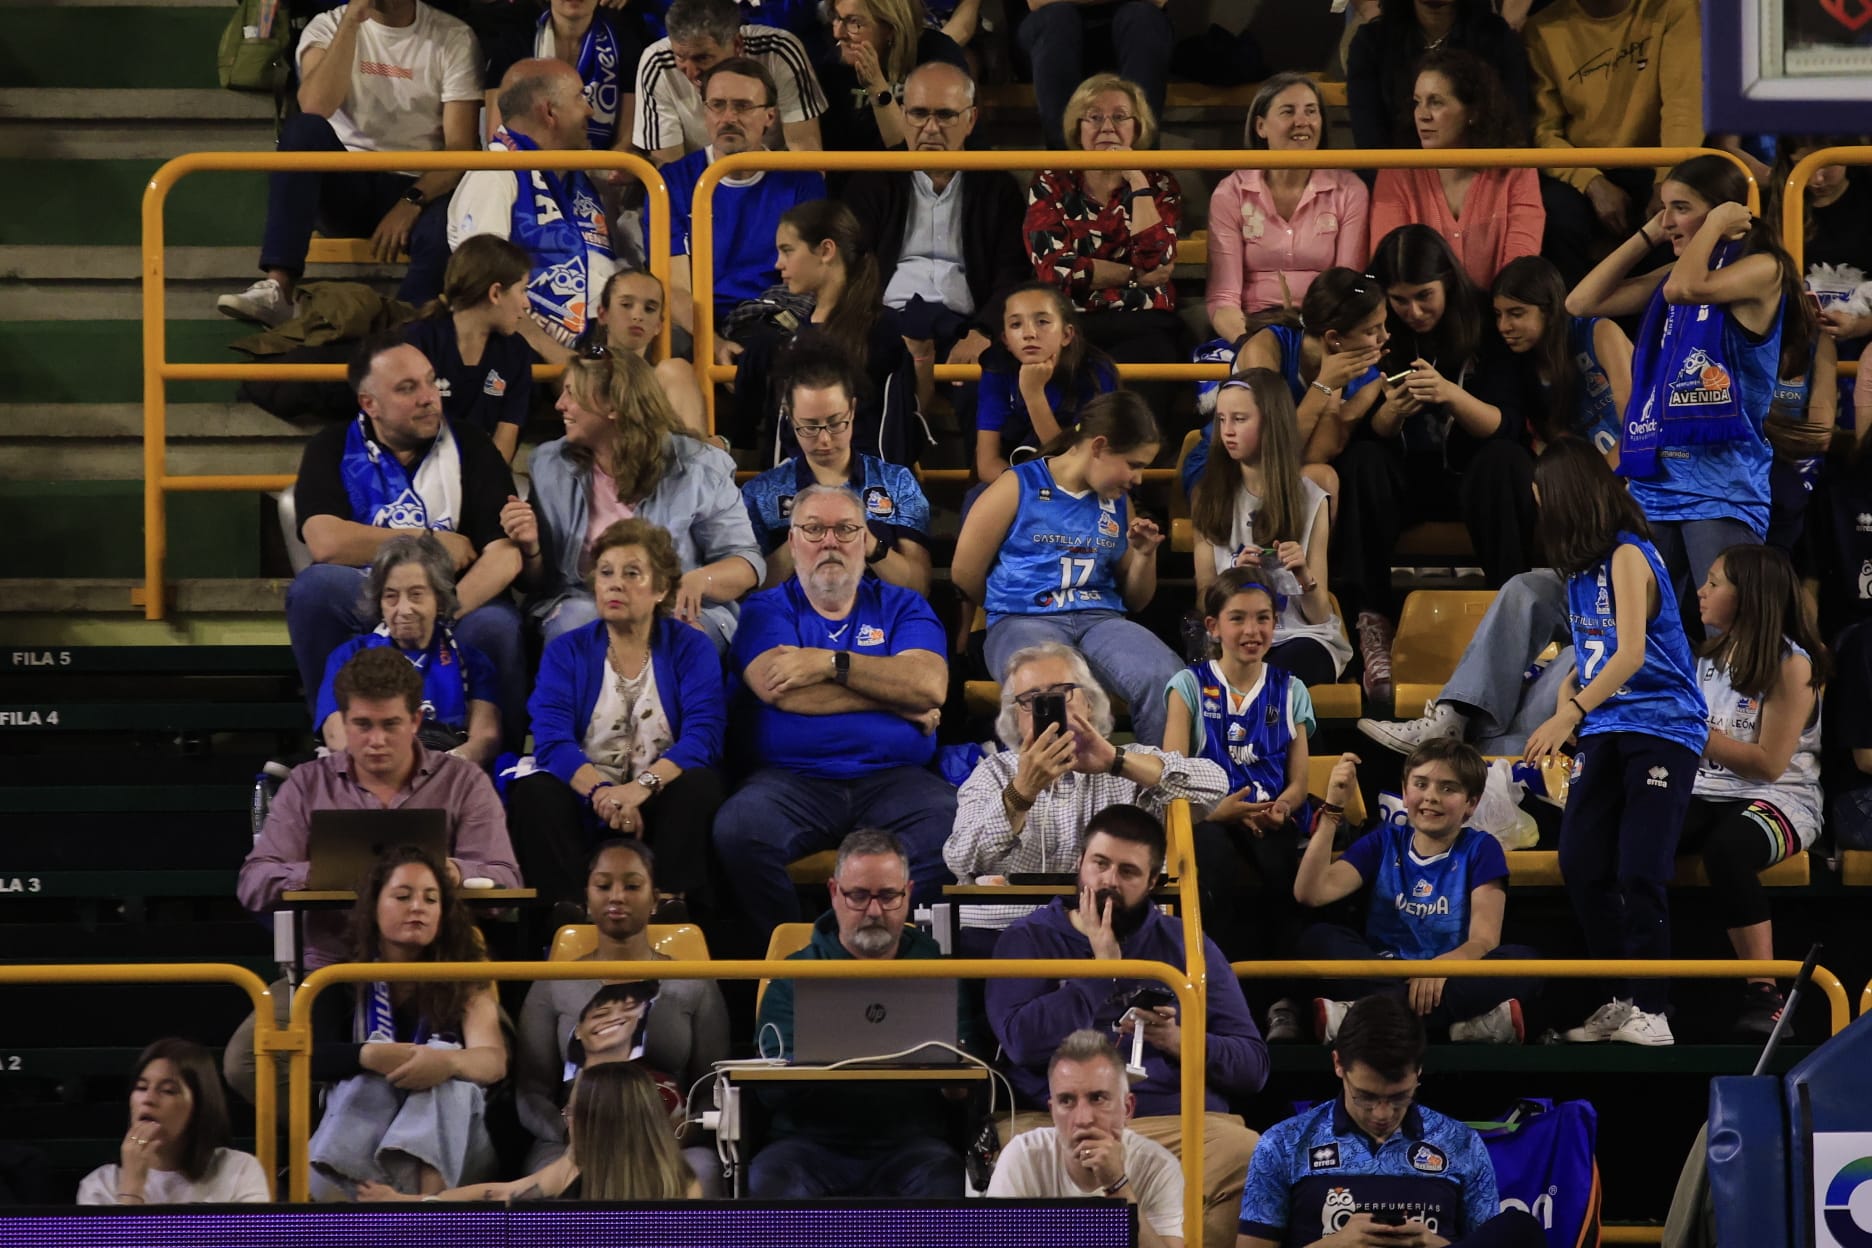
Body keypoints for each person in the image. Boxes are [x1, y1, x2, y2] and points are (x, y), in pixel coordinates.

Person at [231, 648, 520, 1106]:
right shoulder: (308, 784)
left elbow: (504, 881)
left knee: (499, 1060)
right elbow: (254, 882)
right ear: (344, 724)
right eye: (362, 726)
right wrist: (329, 874)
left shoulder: (463, 782)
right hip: (330, 971)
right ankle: (331, 1157)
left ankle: (436, 1170)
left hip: (442, 970)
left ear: (415, 722)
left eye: (390, 725)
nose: (376, 740)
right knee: (246, 1061)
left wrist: (451, 872)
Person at [988, 803, 1266, 1248]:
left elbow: (1253, 1066)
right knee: (1005, 1152)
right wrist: (1101, 973)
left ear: (1153, 882)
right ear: (1080, 863)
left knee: (1250, 1155)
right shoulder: (1029, 938)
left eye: (1128, 872)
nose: (1109, 881)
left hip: (1174, 1122)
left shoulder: (1186, 945)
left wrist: (1181, 1040)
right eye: (1100, 864)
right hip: (1057, 1119)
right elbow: (1020, 1042)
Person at [1523, 439, 1707, 1048]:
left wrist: (1569, 710)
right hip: (1607, 725)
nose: (1535, 500)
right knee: (1580, 861)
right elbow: (1600, 647)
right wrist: (1570, 686)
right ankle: (1619, 996)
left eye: (1542, 490)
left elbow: (1631, 652)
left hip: (1662, 727)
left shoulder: (1630, 554)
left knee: (1640, 868)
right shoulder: (1579, 569)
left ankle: (1654, 1008)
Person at [712, 484, 956, 943]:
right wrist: (893, 696)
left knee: (952, 827)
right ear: (792, 541)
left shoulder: (903, 605)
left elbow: (928, 685)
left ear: (864, 539)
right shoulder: (766, 609)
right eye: (814, 529)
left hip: (895, 777)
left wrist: (829, 664)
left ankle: (899, 954)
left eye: (845, 529)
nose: (830, 541)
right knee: (739, 832)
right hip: (789, 780)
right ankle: (798, 960)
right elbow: (779, 690)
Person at [1566, 153, 1813, 600]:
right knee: (1634, 631)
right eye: (1664, 208)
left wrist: (1717, 225)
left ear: (1724, 210)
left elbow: (1685, 289)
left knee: (1727, 634)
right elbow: (1580, 303)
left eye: (1681, 208)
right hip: (1655, 482)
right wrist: (1648, 235)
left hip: (1721, 489)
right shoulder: (1678, 272)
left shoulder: (1764, 269)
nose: (1669, 221)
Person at [285, 334, 526, 752]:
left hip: (456, 602)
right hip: (371, 599)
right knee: (314, 590)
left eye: (431, 382)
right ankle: (335, 742)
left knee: (498, 625)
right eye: (407, 388)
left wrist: (435, 612)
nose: (429, 398)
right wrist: (428, 542)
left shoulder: (470, 446)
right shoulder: (332, 447)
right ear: (369, 404)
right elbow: (324, 541)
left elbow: (505, 557)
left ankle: (494, 760)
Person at [749, 829, 984, 1198]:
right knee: (772, 1181)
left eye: (888, 896)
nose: (874, 911)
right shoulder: (793, 976)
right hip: (806, 1146)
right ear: (833, 893)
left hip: (914, 1147)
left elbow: (971, 1083)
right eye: (858, 896)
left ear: (908, 894)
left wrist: (956, 1085)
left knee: (945, 1181)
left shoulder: (938, 972)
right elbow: (768, 1094)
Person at [506, 520, 729, 908]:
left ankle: (669, 910)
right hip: (588, 794)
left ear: (661, 589)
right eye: (606, 573)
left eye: (632, 573)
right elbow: (552, 739)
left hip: (660, 793)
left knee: (700, 788)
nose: (614, 584)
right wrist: (604, 794)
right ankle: (572, 916)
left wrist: (639, 788)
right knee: (534, 795)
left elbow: (702, 737)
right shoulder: (566, 651)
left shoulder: (691, 647)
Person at [946, 642, 1227, 950]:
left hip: (1118, 930)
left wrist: (1116, 762)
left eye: (1061, 692)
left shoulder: (1133, 762)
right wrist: (1021, 792)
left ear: (1090, 703)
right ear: (1016, 717)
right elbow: (960, 860)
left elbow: (1214, 784)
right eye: (1032, 700)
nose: (1049, 708)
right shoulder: (993, 772)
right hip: (1007, 936)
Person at [215, 0, 478, 326]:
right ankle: (279, 287)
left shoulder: (453, 35)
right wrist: (352, 21)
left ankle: (410, 328)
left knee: (451, 223)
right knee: (302, 129)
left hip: (418, 185)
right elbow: (314, 106)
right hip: (347, 183)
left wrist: (411, 200)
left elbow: (461, 148)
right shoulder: (327, 26)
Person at [952, 391, 1182, 746]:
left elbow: (1136, 600)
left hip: (1100, 620)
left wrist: (1144, 556)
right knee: (1046, 690)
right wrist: (1012, 602)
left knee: (1168, 679)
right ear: (1100, 447)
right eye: (1134, 464)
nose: (1138, 479)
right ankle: (1052, 798)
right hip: (1023, 620)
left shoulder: (1118, 503)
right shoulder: (1018, 484)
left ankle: (1159, 794)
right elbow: (964, 571)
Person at [1334, 225, 1534, 623]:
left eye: (1425, 296)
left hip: (1472, 479)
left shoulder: (1484, 320)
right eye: (1400, 301)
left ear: (1447, 281)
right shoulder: (1375, 330)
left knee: (1506, 460)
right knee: (1361, 461)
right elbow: (1365, 433)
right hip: (1406, 480)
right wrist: (1392, 413)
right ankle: (1369, 619)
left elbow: (1508, 425)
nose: (1415, 312)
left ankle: (1515, 617)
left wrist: (1450, 395)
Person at [1236, 995, 1546, 1248]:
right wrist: (1335, 1244)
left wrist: (1432, 1244)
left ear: (1418, 1071)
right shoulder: (1284, 1142)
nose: (1382, 1114)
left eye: (1399, 1097)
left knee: (1519, 1228)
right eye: (1365, 1096)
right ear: (1338, 1065)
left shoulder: (1460, 1142)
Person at [499, 351, 763, 648]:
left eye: (571, 393)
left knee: (680, 638)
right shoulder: (549, 464)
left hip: (672, 604)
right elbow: (538, 583)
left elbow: (746, 561)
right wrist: (532, 547)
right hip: (584, 603)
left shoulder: (699, 466)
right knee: (578, 626)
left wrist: (701, 580)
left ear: (613, 405)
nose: (560, 404)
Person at [1297, 744, 1541, 1045]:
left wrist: (1438, 968)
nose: (1431, 797)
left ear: (1471, 804)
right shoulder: (1384, 840)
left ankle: (1363, 1017)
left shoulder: (1481, 848)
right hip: (1383, 970)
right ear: (1405, 789)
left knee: (1524, 963)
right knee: (1319, 939)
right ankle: (1459, 1026)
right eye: (1421, 784)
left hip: (1450, 976)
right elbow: (1311, 893)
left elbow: (1484, 940)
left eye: (1448, 788)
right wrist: (1332, 810)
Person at [514, 839, 729, 1174]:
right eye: (603, 885)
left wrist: (681, 1135)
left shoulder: (693, 982)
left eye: (632, 886)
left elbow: (712, 1087)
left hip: (668, 1138)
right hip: (574, 1142)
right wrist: (568, 1135)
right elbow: (530, 1092)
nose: (617, 896)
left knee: (702, 1173)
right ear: (587, 895)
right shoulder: (552, 982)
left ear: (654, 898)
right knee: (544, 1188)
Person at [306, 846, 507, 1199]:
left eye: (431, 899)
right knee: (366, 1076)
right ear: (373, 908)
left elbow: (493, 1061)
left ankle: (421, 1210)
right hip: (351, 1164)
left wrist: (445, 1062)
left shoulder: (467, 976)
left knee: (449, 1078)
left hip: (456, 1166)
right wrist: (370, 1057)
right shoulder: (338, 976)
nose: (418, 907)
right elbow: (313, 1057)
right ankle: (360, 1195)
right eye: (402, 896)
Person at [1686, 545, 1827, 1038]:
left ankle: (1765, 994)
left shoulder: (1793, 664)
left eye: (1714, 582)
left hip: (1783, 797)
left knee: (1727, 850)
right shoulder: (1705, 655)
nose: (1701, 592)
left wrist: (1689, 733)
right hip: (1708, 789)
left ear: (1749, 598)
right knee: (1641, 831)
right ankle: (1639, 995)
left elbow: (1769, 764)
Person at [844, 63, 1031, 412]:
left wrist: (984, 334)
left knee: (987, 388)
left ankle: (991, 468)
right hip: (884, 321)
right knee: (857, 384)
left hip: (964, 327)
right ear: (902, 114)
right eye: (918, 114)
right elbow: (849, 265)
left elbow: (1013, 273)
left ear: (971, 120)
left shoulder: (998, 186)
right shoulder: (872, 179)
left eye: (945, 115)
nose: (930, 128)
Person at [1163, 570, 1314, 976]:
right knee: (1212, 858)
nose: (1252, 630)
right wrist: (1215, 812)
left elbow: (1299, 782)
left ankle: (1280, 995)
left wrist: (1282, 805)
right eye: (1238, 618)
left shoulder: (1292, 689)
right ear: (1213, 626)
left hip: (1270, 814)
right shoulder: (1187, 685)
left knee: (1284, 865)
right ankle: (1212, 982)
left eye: (1263, 618)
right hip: (1206, 816)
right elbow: (1170, 778)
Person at [727, 199, 927, 470]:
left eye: (787, 251)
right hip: (791, 493)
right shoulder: (778, 335)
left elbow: (894, 428)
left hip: (865, 493)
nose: (778, 264)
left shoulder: (882, 329)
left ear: (825, 250)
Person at [1026, 76, 1183, 412]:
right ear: (1077, 128)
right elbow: (1053, 271)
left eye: (1120, 116)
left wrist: (1137, 182)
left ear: (1137, 129)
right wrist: (1132, 276)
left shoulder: (1160, 182)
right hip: (1073, 323)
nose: (1106, 127)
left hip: (1144, 322)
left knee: (1153, 364)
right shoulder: (1051, 179)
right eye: (1094, 117)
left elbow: (1156, 261)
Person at [1189, 373, 1353, 687]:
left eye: (1239, 419)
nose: (1227, 431)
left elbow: (1319, 615)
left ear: (1271, 424)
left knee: (1275, 680)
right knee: (1245, 673)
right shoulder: (1207, 497)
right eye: (1222, 419)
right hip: (1235, 637)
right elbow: (1203, 599)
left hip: (1301, 636)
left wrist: (1304, 574)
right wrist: (1233, 582)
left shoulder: (1311, 498)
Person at [446, 58, 615, 359]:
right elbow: (484, 289)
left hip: (592, 344)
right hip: (527, 352)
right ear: (549, 111)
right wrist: (561, 360)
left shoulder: (579, 173)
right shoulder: (495, 173)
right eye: (580, 98)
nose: (590, 110)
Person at [648, 58, 826, 334]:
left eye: (742, 106)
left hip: (773, 321)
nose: (728, 118)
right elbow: (675, 287)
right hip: (695, 326)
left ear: (770, 116)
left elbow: (807, 280)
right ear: (704, 111)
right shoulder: (671, 182)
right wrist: (713, 346)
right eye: (717, 105)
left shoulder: (803, 181)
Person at [741, 345, 934, 596]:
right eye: (809, 427)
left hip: (880, 614)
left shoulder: (896, 483)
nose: (824, 440)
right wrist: (799, 541)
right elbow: (750, 591)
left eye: (835, 423)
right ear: (790, 416)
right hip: (793, 620)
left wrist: (870, 543)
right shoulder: (760, 494)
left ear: (852, 410)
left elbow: (919, 587)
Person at [1182, 266, 1389, 495]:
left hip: (1290, 476)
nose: (1385, 337)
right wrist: (1323, 386)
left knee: (1323, 478)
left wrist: (1333, 388)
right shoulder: (1266, 348)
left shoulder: (1369, 379)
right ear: (1333, 338)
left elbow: (1314, 455)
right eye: (1372, 331)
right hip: (1226, 467)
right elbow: (1270, 451)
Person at [360, 1061, 699, 1201]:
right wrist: (412, 1202)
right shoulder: (570, 1168)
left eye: (573, 1113)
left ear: (603, 1124)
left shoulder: (681, 1187)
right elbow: (498, 1193)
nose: (567, 1121)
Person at [314, 535, 502, 769]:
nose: (403, 609)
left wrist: (441, 768)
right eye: (391, 596)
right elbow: (336, 735)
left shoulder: (472, 662)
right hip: (369, 774)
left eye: (416, 595)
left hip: (447, 776)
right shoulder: (348, 657)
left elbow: (486, 738)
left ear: (440, 601)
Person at [1522, 0, 1704, 244]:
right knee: (1557, 216)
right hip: (1582, 166)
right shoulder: (1542, 28)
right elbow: (1543, 130)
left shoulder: (1674, 9)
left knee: (1677, 220)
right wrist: (1590, 181)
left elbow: (1683, 108)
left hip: (1655, 166)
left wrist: (1667, 181)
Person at [985, 1030, 1184, 1247]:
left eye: (1097, 1098)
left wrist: (1117, 1184)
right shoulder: (1022, 1156)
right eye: (1067, 1101)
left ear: (1127, 1108)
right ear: (1052, 1111)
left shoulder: (1158, 1166)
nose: (1083, 1119)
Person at [1206, 74, 1369, 339]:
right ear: (1261, 127)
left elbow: (1345, 289)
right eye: (1288, 111)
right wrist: (1254, 348)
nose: (1302, 122)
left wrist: (1311, 349)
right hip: (1251, 327)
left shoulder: (1350, 189)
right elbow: (1223, 298)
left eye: (1311, 111)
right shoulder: (1231, 191)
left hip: (1323, 329)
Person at [1369, 50, 1544, 291]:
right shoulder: (1396, 172)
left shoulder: (1516, 168)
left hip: (1498, 317)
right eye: (1417, 103)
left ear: (1473, 111)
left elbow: (1520, 268)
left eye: (1436, 102)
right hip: (1419, 317)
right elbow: (1389, 267)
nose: (1422, 115)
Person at [77, 1039, 269, 1205]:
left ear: (200, 1105)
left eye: (168, 1090)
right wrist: (131, 1188)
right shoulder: (100, 1185)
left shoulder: (239, 1170)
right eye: (142, 1087)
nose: (148, 1099)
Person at [633, 0, 826, 165]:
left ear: (737, 45)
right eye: (681, 57)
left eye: (702, 58)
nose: (691, 72)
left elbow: (807, 157)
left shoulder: (779, 52)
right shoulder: (657, 64)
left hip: (775, 189)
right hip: (699, 192)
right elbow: (670, 173)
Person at [401, 234, 535, 463]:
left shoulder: (516, 352)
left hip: (480, 481)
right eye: (522, 290)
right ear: (495, 293)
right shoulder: (417, 342)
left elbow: (503, 446)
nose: (526, 304)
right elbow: (403, 438)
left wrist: (483, 489)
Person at [972, 284, 1120, 486]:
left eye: (1042, 322)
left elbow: (1078, 464)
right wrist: (1031, 494)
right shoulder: (997, 370)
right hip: (1015, 482)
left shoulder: (1096, 372)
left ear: (1067, 334)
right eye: (1016, 325)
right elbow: (987, 464)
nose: (1029, 333)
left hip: (1081, 483)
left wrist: (1034, 395)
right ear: (1006, 340)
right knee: (979, 499)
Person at [1492, 254, 1633, 462]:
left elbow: (1638, 420)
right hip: (1594, 479)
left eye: (1516, 313)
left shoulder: (1598, 333)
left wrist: (1608, 480)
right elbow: (1561, 448)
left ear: (1548, 311)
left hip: (1651, 461)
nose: (1503, 326)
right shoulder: (1525, 370)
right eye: (1498, 315)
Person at [1346, 0, 1531, 153]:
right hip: (1396, 182)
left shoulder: (1499, 39)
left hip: (1484, 177)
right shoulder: (1370, 43)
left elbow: (1515, 131)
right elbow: (1369, 142)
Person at [1015, 0, 1169, 152]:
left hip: (1129, 28)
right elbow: (1037, 2)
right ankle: (1064, 166)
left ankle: (1141, 160)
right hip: (1053, 31)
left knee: (1143, 17)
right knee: (1058, 17)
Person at [815, 0, 966, 154]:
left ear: (891, 28)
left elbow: (913, 156)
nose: (838, 33)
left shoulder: (937, 56)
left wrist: (876, 86)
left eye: (854, 22)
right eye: (837, 18)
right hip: (863, 173)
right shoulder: (833, 68)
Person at [592, 268, 708, 436]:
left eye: (650, 308)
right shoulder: (584, 370)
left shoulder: (672, 375)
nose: (638, 315)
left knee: (675, 370)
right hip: (597, 459)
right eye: (626, 305)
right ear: (603, 314)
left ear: (658, 326)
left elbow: (696, 453)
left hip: (665, 459)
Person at [532, 0, 649, 156]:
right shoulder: (519, 33)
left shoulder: (625, 35)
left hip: (603, 169)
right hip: (531, 166)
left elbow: (627, 138)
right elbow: (502, 131)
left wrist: (606, 169)